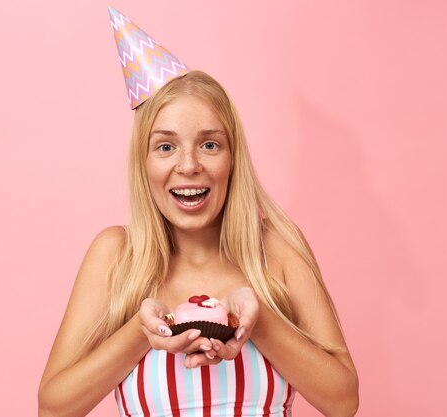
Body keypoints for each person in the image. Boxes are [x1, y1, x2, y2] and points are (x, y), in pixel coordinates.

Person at [39, 8, 357, 417]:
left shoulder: (274, 250)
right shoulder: (116, 256)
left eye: (209, 144)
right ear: (144, 163)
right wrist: (140, 333)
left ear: (232, 158)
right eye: (166, 146)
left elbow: (344, 401)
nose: (188, 166)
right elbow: (53, 407)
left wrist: (257, 323)